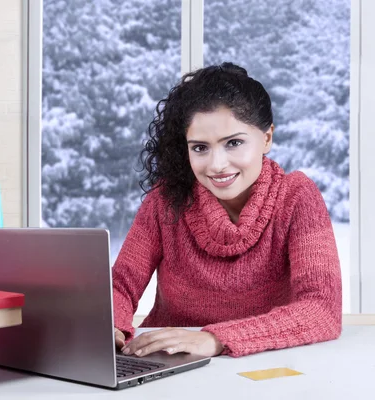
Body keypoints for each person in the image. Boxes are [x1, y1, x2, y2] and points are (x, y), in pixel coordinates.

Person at [112, 62, 343, 358]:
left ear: (267, 138)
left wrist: (215, 339)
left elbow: (321, 309)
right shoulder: (166, 200)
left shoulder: (297, 197)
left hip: (259, 366)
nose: (217, 165)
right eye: (200, 148)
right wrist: (113, 327)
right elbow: (120, 285)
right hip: (164, 363)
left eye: (233, 143)